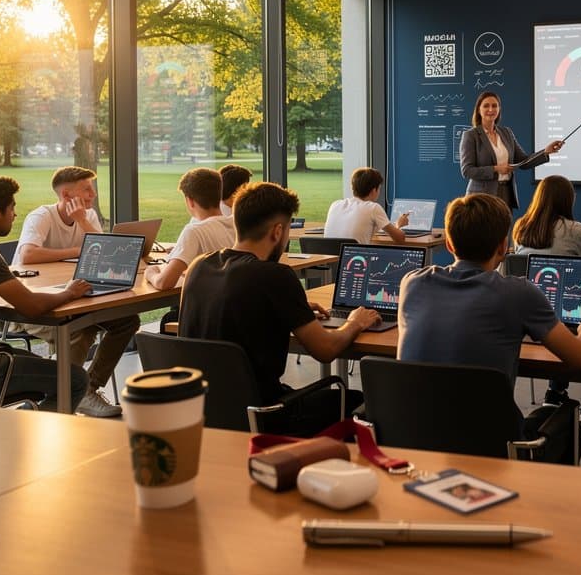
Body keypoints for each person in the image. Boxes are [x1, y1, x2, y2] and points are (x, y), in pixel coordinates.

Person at [398, 193, 581, 439]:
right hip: (490, 445)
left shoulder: (411, 283)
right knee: (567, 423)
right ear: (503, 246)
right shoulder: (519, 293)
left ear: (449, 244)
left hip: (415, 441)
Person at [179, 181, 379, 435]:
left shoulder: (198, 266)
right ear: (277, 232)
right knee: (359, 401)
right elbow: (326, 350)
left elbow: (233, 303)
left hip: (204, 413)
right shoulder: (275, 276)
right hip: (267, 415)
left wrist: (292, 307)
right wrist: (356, 322)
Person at [12, 166, 138, 417]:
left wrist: (82, 220)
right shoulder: (42, 216)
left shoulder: (87, 216)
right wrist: (78, 251)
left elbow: (103, 250)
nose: (92, 194)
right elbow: (28, 254)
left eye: (93, 188)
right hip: (35, 306)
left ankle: (87, 389)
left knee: (127, 320)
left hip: (74, 296)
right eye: (86, 189)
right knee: (83, 325)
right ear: (67, 195)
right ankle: (67, 395)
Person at [0, 174, 89, 411]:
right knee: (74, 380)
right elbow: (32, 306)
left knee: (42, 366)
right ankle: (33, 438)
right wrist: (69, 292)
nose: (14, 214)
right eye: (12, 208)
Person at [513, 174, 581, 428]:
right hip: (565, 312)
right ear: (568, 200)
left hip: (525, 314)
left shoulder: (521, 227)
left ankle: (555, 393)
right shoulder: (574, 230)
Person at [459, 91, 564, 210]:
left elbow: (523, 161)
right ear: (478, 109)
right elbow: (467, 171)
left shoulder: (506, 133)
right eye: (486, 105)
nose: (491, 109)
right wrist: (496, 169)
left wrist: (546, 152)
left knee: (505, 228)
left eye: (494, 105)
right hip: (481, 198)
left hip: (506, 193)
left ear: (499, 109)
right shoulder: (471, 135)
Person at [145, 168, 235, 291]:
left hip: (204, 306)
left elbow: (164, 283)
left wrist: (150, 273)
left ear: (190, 201)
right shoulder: (236, 224)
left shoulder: (194, 231)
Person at [324, 167, 408, 244]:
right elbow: (400, 239)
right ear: (374, 190)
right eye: (379, 188)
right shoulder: (373, 208)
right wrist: (399, 225)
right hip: (356, 258)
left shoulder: (335, 204)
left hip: (331, 259)